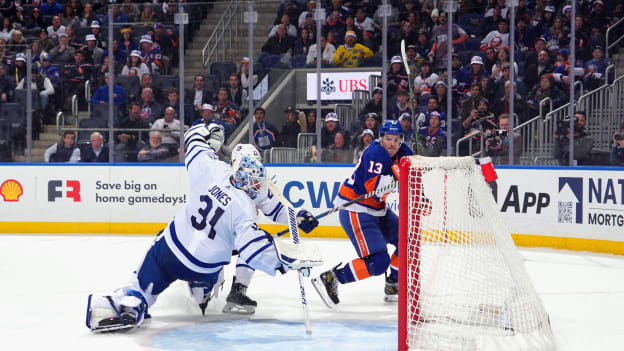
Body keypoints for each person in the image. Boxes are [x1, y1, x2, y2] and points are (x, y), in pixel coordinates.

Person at [86, 124, 320, 332]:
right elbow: (255, 251)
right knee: (235, 257)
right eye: (253, 175)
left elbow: (193, 139)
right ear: (242, 171)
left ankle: (134, 301)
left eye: (257, 174)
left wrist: (209, 131)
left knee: (146, 275)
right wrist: (289, 260)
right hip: (204, 268)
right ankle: (207, 293)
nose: (256, 181)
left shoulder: (213, 167)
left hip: (171, 251)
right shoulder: (246, 209)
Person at [312, 119, 413, 307]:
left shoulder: (404, 152)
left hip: (377, 209)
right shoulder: (375, 154)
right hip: (355, 209)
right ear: (381, 138)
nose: (392, 143)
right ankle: (332, 278)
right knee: (379, 262)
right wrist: (395, 174)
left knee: (408, 239)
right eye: (388, 138)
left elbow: (414, 177)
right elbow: (374, 190)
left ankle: (393, 283)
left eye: (396, 139)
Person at [223, 144, 319, 315]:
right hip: (214, 236)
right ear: (238, 165)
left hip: (238, 235)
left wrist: (298, 217)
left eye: (257, 164)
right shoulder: (221, 179)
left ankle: (237, 292)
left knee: (253, 241)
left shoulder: (256, 184)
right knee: (203, 287)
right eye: (250, 164)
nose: (255, 171)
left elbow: (276, 210)